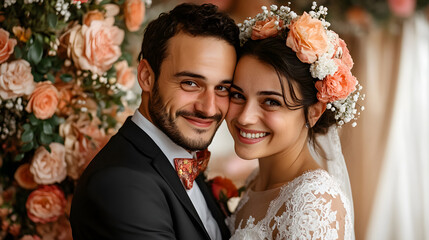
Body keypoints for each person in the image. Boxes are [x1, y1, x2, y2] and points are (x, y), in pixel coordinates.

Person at [70, 3, 239, 240]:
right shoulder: (121, 184)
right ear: (146, 77)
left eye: (222, 88)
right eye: (190, 83)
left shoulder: (182, 157)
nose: (209, 108)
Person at [225, 3, 362, 239]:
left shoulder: (314, 204)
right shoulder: (255, 181)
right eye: (238, 95)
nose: (245, 117)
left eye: (271, 102)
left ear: (313, 112)